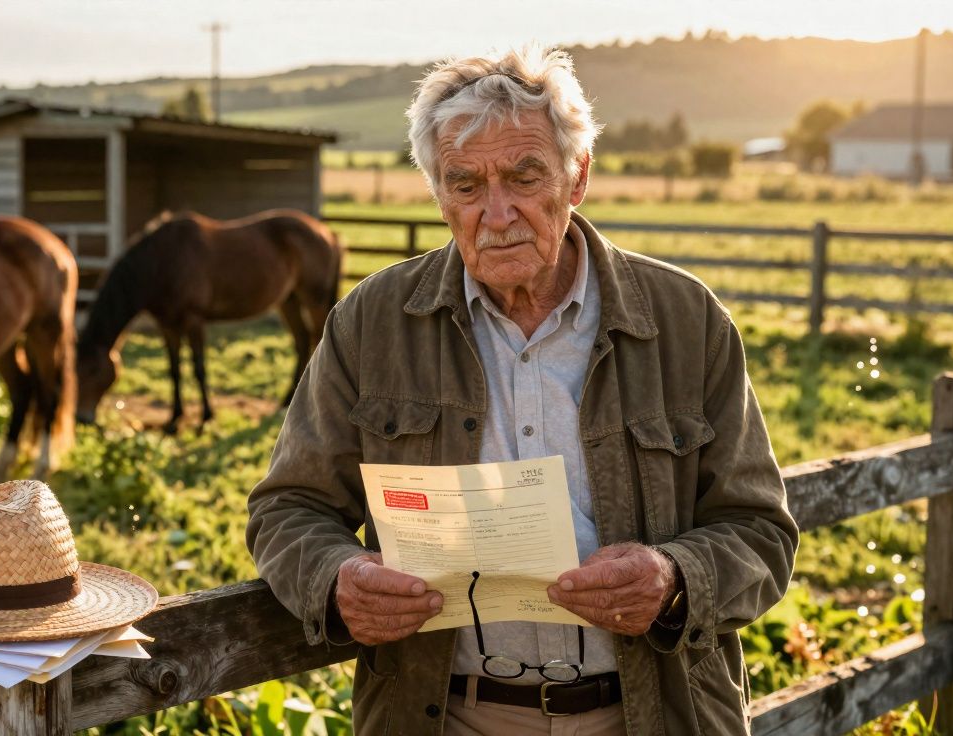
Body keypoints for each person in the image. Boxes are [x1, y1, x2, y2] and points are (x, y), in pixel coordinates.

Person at [247, 45, 797, 736]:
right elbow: (286, 508)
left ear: (578, 177)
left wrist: (673, 577)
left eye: (523, 174)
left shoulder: (686, 322)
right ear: (438, 193)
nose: (497, 211)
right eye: (466, 184)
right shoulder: (371, 324)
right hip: (444, 715)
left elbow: (762, 532)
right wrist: (334, 578)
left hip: (649, 712)